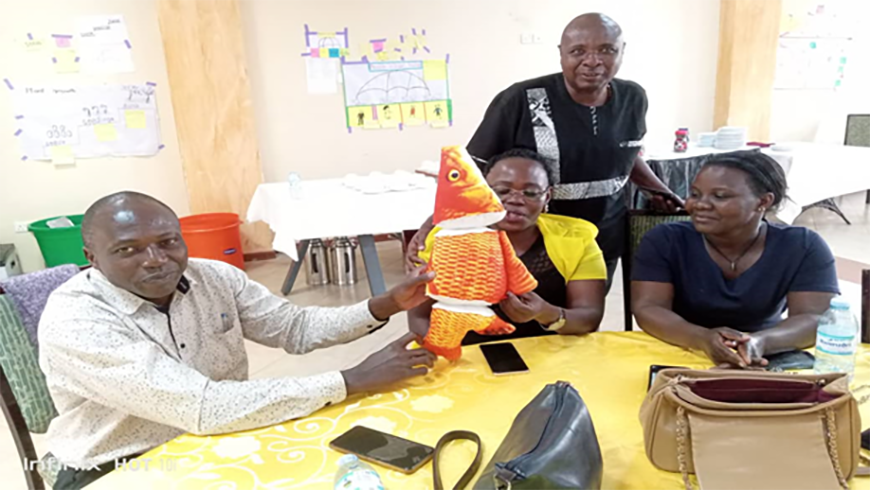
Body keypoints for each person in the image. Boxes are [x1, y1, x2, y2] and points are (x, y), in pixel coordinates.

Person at [39, 191, 437, 490]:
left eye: (168, 241)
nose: (156, 259)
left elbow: (293, 327)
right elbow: (204, 406)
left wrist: (382, 305)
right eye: (128, 249)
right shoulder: (76, 318)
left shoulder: (213, 277)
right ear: (91, 257)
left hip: (218, 438)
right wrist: (350, 380)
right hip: (119, 465)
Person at [406, 13, 681, 290]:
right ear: (561, 54)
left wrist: (659, 191)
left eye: (607, 50)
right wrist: (434, 222)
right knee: (526, 315)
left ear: (622, 52)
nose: (593, 61)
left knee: (582, 319)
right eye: (578, 51)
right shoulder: (519, 98)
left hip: (604, 232)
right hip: (532, 236)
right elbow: (472, 169)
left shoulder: (633, 98)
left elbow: (626, 154)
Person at [631, 151, 839, 368]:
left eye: (719, 196)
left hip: (767, 355)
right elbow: (648, 308)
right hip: (678, 348)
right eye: (694, 194)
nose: (700, 204)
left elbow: (815, 318)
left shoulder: (802, 246)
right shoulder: (666, 239)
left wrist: (759, 342)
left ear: (763, 202)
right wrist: (702, 338)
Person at [409, 149, 607, 344]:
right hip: (466, 356)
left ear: (547, 197)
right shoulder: (446, 239)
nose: (515, 200)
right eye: (502, 191)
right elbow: (419, 317)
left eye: (530, 192)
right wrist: (447, 356)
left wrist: (545, 313)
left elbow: (589, 318)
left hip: (550, 358)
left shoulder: (577, 239)